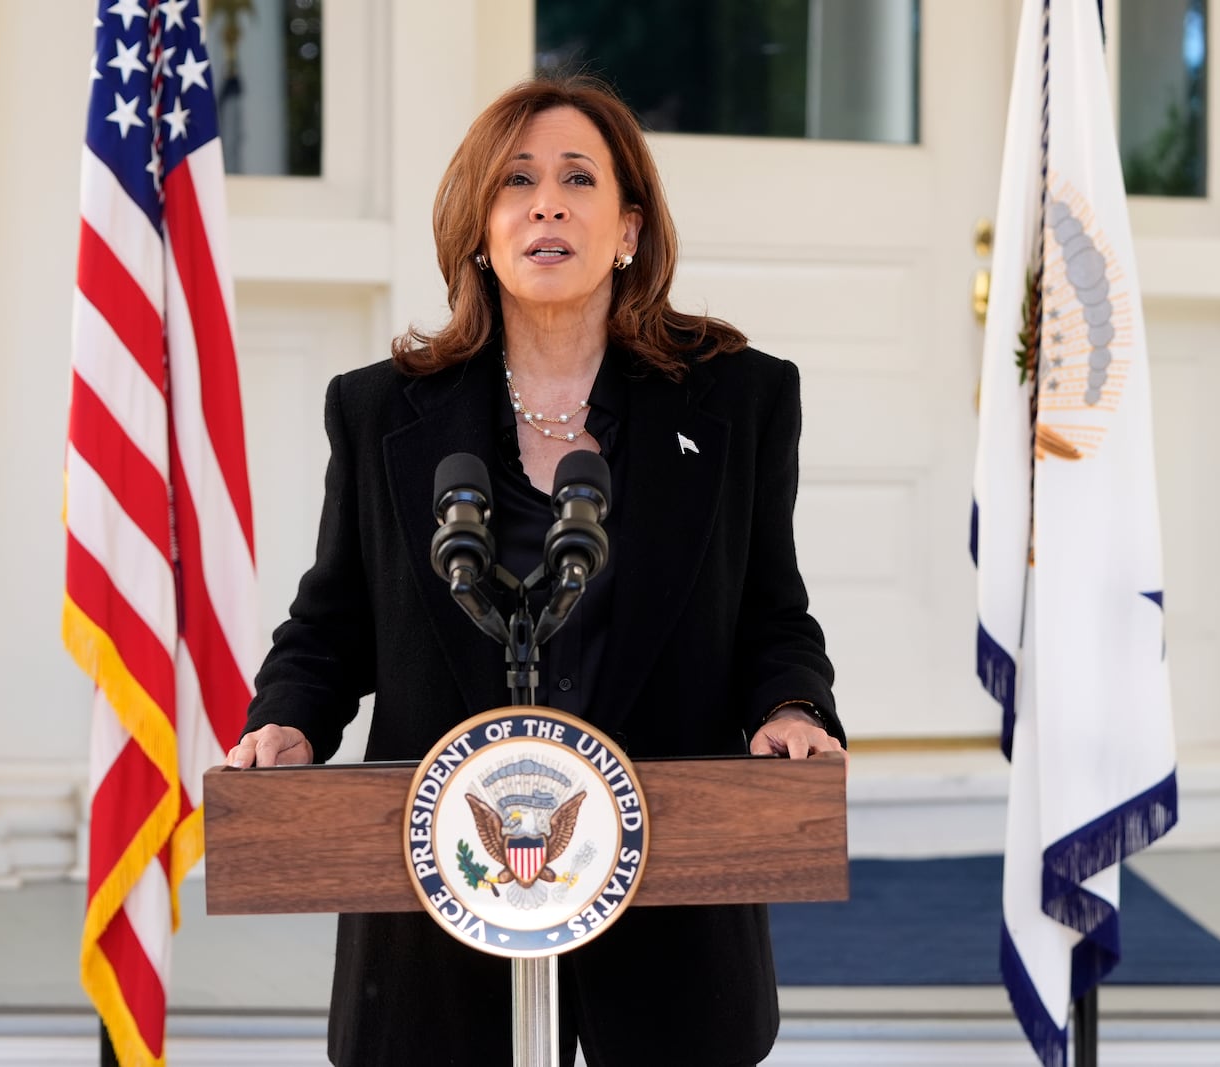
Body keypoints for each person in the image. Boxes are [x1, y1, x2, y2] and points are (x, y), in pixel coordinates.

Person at [226, 75, 844, 1067]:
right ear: (479, 226)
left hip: (664, 916)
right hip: (444, 920)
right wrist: (286, 717)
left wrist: (792, 707)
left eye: (576, 178)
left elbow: (770, 610)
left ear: (628, 227)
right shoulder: (382, 411)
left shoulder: (740, 401)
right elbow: (334, 619)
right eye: (515, 180)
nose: (545, 202)